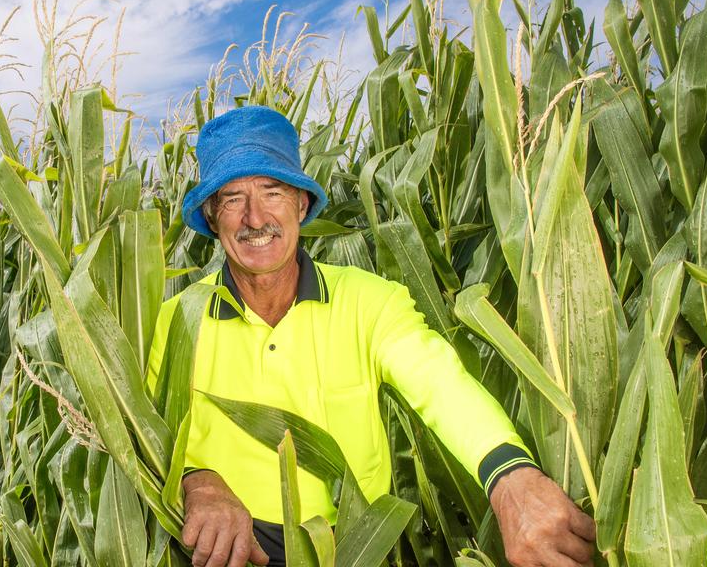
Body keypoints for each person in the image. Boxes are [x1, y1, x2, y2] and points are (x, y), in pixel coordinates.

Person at [145, 106, 596, 567]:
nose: (255, 217)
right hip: (229, 556)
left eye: (272, 191)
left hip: (359, 549)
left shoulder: (370, 302)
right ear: (212, 215)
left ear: (301, 204)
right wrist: (198, 481)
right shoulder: (176, 321)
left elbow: (441, 386)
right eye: (233, 198)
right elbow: (146, 437)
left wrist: (511, 478)